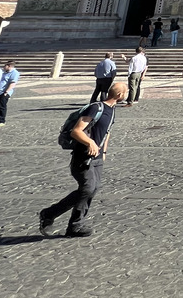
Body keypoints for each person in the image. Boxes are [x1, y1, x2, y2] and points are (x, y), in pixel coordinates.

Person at [39, 80, 126, 238]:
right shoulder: (96, 107)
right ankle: (50, 213)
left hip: (97, 158)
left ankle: (75, 225)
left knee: (92, 189)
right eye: (125, 92)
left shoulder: (113, 110)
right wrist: (90, 142)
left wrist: (103, 152)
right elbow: (76, 131)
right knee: (87, 188)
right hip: (83, 157)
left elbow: (107, 132)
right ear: (120, 95)